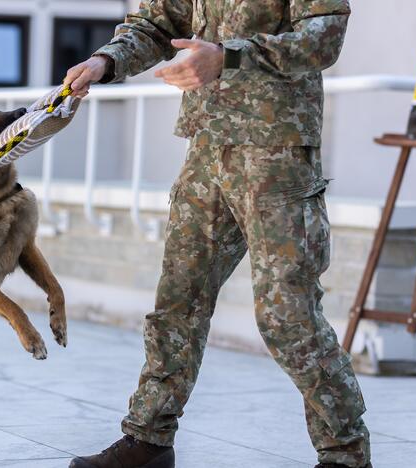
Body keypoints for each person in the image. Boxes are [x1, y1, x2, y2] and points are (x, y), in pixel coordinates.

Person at [63, 1, 372, 467]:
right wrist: (105, 62)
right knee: (177, 304)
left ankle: (346, 454)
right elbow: (156, 23)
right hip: (207, 147)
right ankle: (148, 441)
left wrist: (230, 55)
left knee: (288, 318)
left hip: (278, 155)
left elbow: (324, 36)